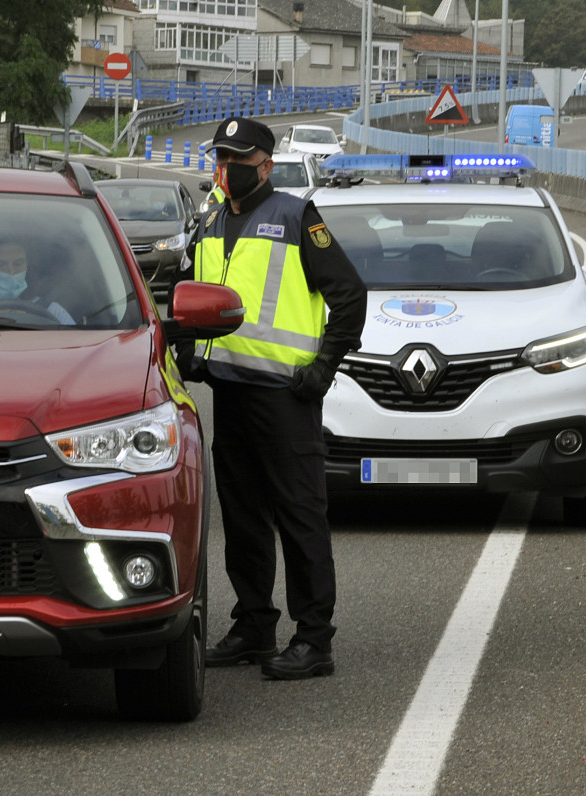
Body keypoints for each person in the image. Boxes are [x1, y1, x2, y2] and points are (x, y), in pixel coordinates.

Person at [180, 116, 367, 680]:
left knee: (300, 518)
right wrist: (188, 353)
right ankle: (254, 627)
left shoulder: (296, 217)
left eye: (238, 160)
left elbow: (350, 295)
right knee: (242, 520)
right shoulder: (210, 222)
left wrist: (322, 369)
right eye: (221, 158)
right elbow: (190, 297)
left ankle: (314, 640)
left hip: (286, 399)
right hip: (231, 395)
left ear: (265, 165)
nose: (227, 169)